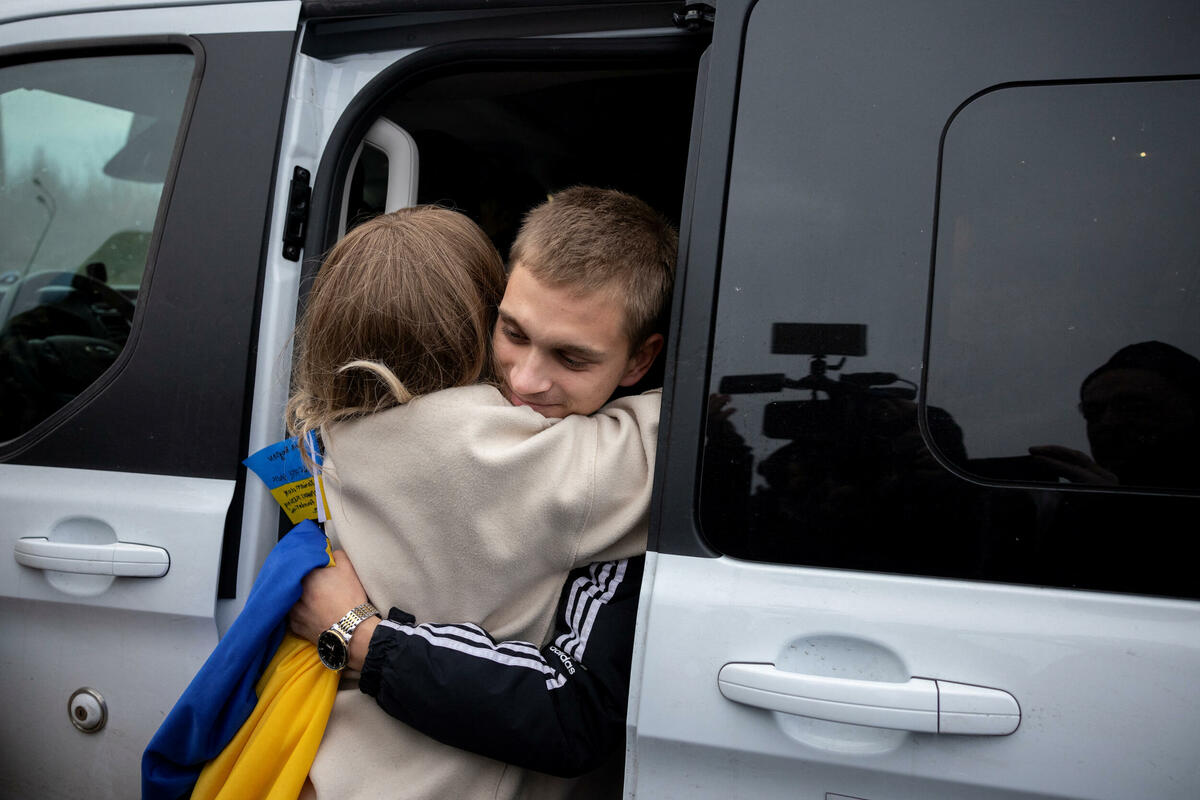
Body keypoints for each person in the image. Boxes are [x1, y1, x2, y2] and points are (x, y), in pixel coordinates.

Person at [291, 189, 677, 799]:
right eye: (512, 332)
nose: (525, 380)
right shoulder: (544, 465)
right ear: (481, 314)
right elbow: (707, 429)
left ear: (641, 358)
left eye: (572, 357)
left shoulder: (328, 436)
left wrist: (356, 633)